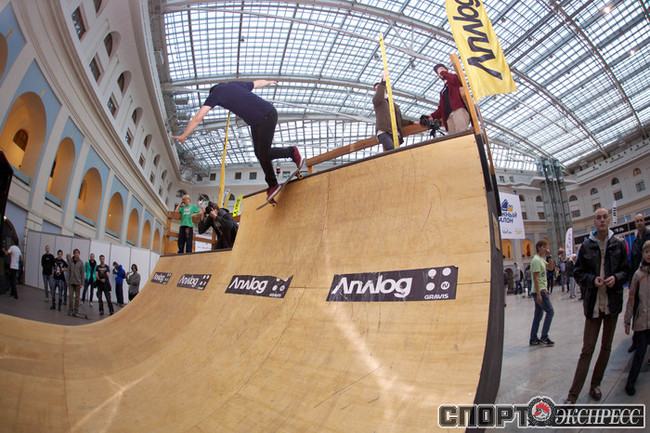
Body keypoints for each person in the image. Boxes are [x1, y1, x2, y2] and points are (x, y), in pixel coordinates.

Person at [171, 80, 303, 201]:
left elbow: (198, 117)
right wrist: (269, 82)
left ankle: (292, 151)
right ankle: (272, 184)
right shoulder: (234, 84)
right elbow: (257, 83)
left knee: (263, 153)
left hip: (266, 116)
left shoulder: (215, 93)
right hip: (260, 120)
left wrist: (184, 135)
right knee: (260, 154)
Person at [563, 208, 630, 404]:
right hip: (593, 305)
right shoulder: (586, 246)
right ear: (594, 222)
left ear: (608, 220)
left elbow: (626, 270)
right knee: (587, 349)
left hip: (612, 304)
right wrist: (592, 280)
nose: (601, 220)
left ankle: (595, 385)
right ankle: (572, 396)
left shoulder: (618, 244)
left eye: (604, 217)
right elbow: (578, 273)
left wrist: (615, 278)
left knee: (606, 347)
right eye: (598, 218)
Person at [623, 240, 650, 396]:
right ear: (643, 254)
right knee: (639, 354)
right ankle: (630, 383)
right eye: (646, 252)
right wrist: (627, 321)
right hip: (641, 322)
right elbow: (631, 299)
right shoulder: (638, 275)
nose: (649, 254)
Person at [372, 71, 414, 151]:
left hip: (395, 133)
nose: (378, 90)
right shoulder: (377, 101)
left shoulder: (393, 105)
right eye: (376, 89)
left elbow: (399, 120)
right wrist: (383, 81)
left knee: (396, 151)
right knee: (392, 149)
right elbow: (379, 95)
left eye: (379, 87)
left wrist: (411, 122)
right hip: (384, 131)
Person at [627, 214, 650, 353]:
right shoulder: (635, 241)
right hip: (638, 278)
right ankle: (636, 340)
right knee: (636, 308)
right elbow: (633, 262)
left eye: (641, 220)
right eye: (637, 221)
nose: (639, 223)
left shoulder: (649, 236)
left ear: (644, 222)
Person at [428, 64, 470, 134]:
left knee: (462, 133)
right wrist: (432, 116)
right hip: (448, 116)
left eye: (442, 69)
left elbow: (453, 78)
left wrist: (443, 73)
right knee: (453, 137)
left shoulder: (455, 80)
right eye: (439, 71)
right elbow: (441, 108)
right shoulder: (442, 92)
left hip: (458, 110)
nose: (441, 71)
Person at [529, 240, 555, 346]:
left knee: (538, 316)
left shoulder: (541, 259)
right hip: (540, 290)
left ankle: (533, 339)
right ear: (538, 247)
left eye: (546, 246)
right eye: (544, 247)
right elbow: (535, 277)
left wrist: (549, 256)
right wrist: (539, 294)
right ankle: (544, 337)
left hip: (540, 290)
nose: (546, 249)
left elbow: (551, 268)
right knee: (550, 312)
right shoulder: (536, 260)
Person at [67, 249, 85, 315]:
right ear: (74, 254)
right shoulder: (70, 262)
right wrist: (67, 280)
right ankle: (70, 309)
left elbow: (82, 273)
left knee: (77, 298)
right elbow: (68, 272)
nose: (76, 254)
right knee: (70, 297)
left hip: (78, 283)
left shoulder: (81, 262)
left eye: (78, 253)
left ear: (79, 254)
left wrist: (82, 283)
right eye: (75, 253)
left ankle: (76, 310)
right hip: (71, 282)